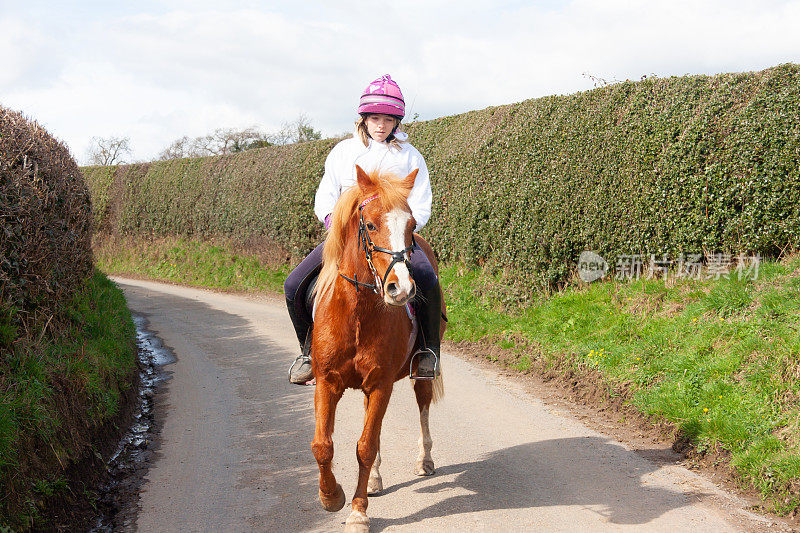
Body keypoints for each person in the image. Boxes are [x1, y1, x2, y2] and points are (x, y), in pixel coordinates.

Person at [285, 74, 441, 384]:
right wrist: (335, 224)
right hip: (344, 240)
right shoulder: (343, 152)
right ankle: (307, 352)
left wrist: (403, 230)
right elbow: (326, 197)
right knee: (294, 284)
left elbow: (421, 203)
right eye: (374, 118)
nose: (381, 125)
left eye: (387, 119)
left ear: (396, 122)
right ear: (364, 119)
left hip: (394, 241)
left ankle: (427, 350)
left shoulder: (410, 156)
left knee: (427, 278)